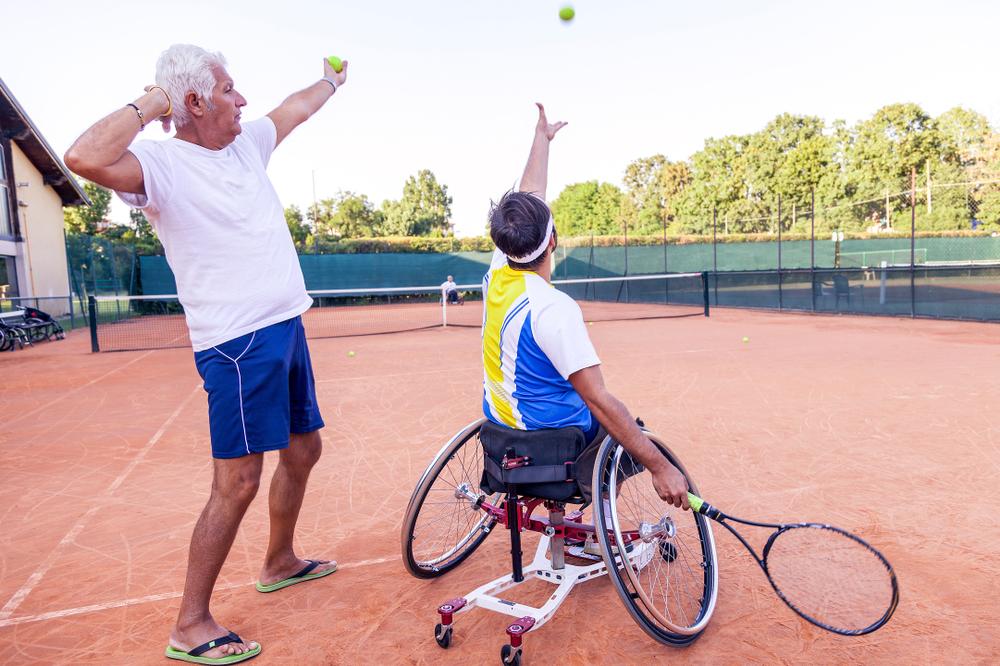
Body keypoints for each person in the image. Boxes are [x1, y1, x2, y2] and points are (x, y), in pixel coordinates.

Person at [64, 44, 346, 664]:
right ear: (192, 102)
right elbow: (82, 157)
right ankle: (190, 623)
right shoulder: (159, 167)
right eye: (226, 90)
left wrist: (330, 82)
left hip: (285, 327)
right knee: (238, 480)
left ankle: (278, 560)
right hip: (238, 345)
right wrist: (152, 104)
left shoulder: (248, 145)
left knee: (304, 448)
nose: (241, 100)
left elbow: (293, 109)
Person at [481, 103, 690, 550]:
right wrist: (658, 466)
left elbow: (528, 193)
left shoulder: (496, 275)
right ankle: (599, 528)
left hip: (498, 430)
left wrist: (542, 138)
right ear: (553, 241)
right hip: (554, 443)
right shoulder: (554, 309)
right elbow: (599, 401)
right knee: (625, 431)